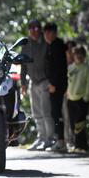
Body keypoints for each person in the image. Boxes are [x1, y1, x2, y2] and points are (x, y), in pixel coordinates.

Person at [20, 19, 55, 151]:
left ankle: (50, 138)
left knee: (46, 111)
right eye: (31, 28)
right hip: (32, 82)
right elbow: (23, 65)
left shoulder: (45, 41)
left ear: (40, 29)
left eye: (37, 28)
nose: (34, 31)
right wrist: (23, 83)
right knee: (36, 113)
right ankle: (41, 138)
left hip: (45, 80)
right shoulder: (26, 43)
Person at [43, 22, 68, 152]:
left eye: (49, 33)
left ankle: (61, 141)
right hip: (54, 83)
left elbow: (59, 68)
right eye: (45, 33)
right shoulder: (51, 45)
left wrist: (53, 84)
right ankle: (60, 140)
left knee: (57, 113)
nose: (46, 35)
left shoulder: (57, 46)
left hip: (57, 84)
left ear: (54, 33)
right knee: (55, 112)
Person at [66, 46, 89, 153]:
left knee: (80, 124)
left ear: (84, 56)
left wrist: (86, 97)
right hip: (71, 99)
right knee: (72, 123)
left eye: (81, 54)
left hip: (82, 100)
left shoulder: (87, 69)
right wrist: (67, 94)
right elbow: (68, 82)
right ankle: (77, 145)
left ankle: (82, 146)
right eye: (76, 54)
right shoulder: (71, 67)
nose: (78, 56)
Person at [63, 40, 77, 151]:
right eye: (68, 49)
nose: (70, 52)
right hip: (64, 95)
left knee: (74, 119)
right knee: (66, 118)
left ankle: (75, 142)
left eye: (72, 50)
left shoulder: (77, 65)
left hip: (76, 96)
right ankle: (68, 141)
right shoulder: (62, 63)